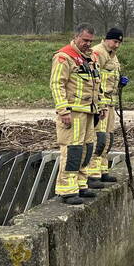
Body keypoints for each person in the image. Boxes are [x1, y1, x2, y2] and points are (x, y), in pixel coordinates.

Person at [51, 23, 102, 205]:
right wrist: (63, 110)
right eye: (85, 40)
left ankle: (81, 184)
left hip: (89, 111)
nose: (88, 43)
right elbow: (57, 84)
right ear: (76, 36)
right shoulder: (64, 56)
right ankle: (66, 190)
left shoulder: (90, 58)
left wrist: (100, 106)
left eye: (90, 41)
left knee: (87, 149)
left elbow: (97, 84)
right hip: (73, 112)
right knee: (72, 150)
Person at [87, 28, 128, 187]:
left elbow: (109, 77)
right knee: (99, 138)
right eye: (115, 41)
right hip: (100, 103)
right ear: (106, 39)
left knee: (108, 138)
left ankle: (103, 170)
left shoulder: (113, 55)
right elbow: (95, 79)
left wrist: (120, 82)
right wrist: (100, 103)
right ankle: (92, 174)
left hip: (110, 102)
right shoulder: (97, 53)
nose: (117, 45)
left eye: (119, 43)